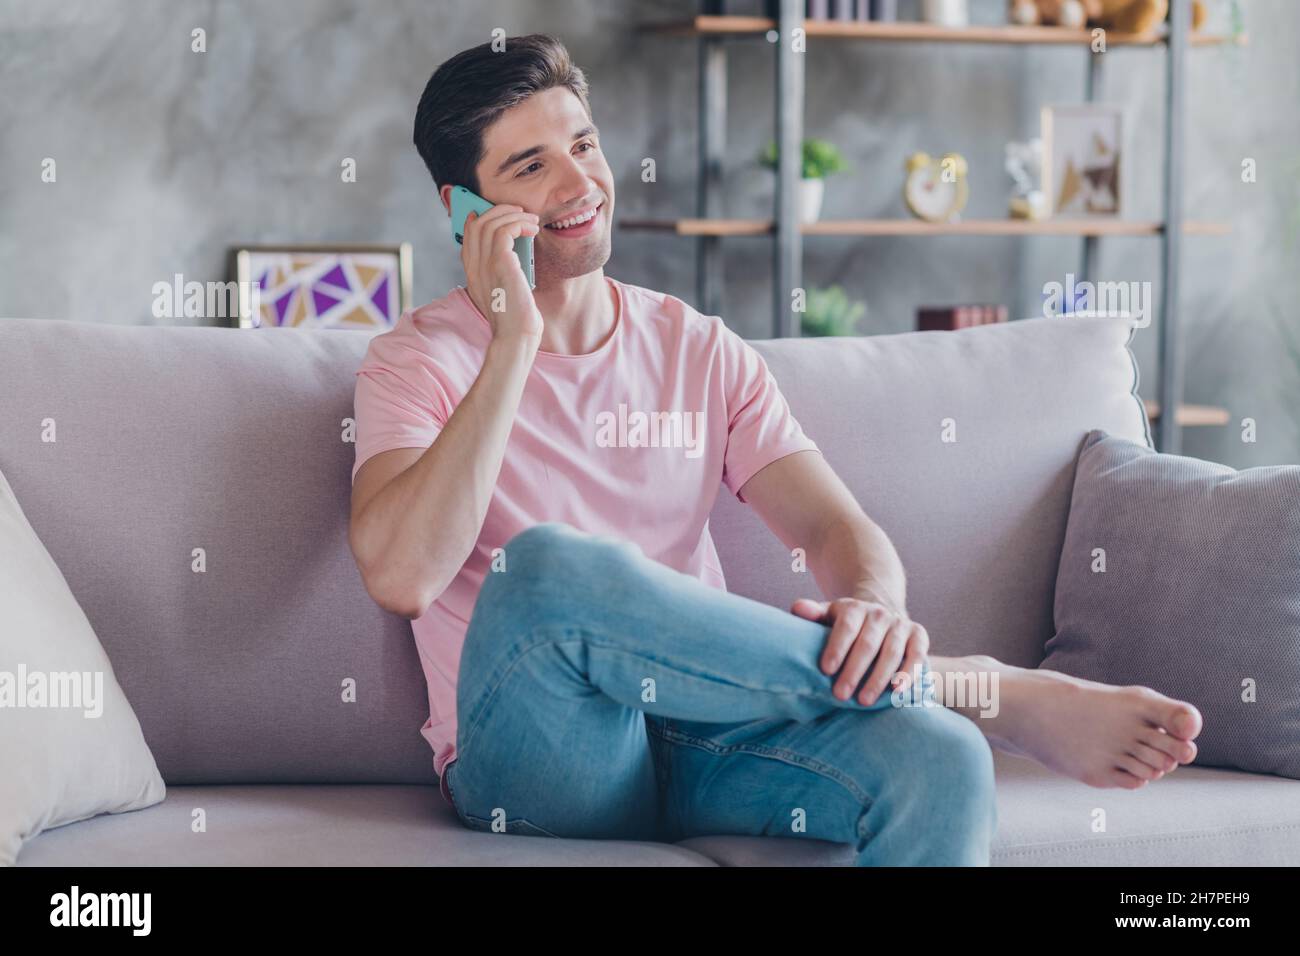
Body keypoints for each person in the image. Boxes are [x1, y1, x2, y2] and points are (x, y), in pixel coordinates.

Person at [347, 34, 1202, 865]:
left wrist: (874, 603)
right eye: (531, 167)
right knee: (543, 569)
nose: (579, 182)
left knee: (941, 759)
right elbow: (401, 574)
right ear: (466, 211)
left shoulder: (698, 347)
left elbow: (834, 528)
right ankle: (977, 687)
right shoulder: (415, 361)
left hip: (715, 733)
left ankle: (943, 702)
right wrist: (512, 344)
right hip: (546, 757)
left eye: (583, 144)